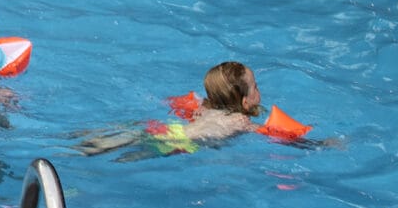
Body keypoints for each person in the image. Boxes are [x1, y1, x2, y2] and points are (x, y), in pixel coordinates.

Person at [80, 60, 286, 157]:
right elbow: (269, 134)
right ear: (245, 102)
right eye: (256, 87)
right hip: (181, 142)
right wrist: (303, 142)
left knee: (128, 138)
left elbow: (175, 104)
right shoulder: (241, 121)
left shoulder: (205, 107)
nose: (259, 89)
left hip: (167, 129)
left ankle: (84, 143)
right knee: (128, 154)